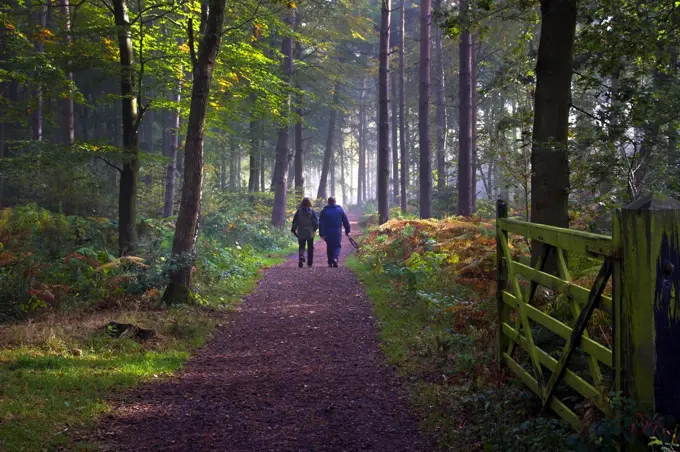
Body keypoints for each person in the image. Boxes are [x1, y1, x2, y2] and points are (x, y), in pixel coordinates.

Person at [318, 196, 350, 268]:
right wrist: (347, 230)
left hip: (327, 232)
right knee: (337, 245)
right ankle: (335, 258)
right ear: (335, 201)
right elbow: (345, 220)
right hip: (337, 231)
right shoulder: (339, 210)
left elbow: (321, 223)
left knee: (329, 246)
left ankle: (330, 262)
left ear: (328, 202)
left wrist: (321, 233)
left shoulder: (324, 211)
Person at [291, 197, 319, 268]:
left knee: (302, 245)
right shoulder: (312, 211)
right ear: (309, 203)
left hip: (301, 231)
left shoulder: (299, 212)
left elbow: (295, 221)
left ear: (302, 203)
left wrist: (293, 229)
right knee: (310, 247)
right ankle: (310, 263)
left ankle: (301, 255)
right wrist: (315, 229)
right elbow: (316, 221)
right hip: (310, 231)